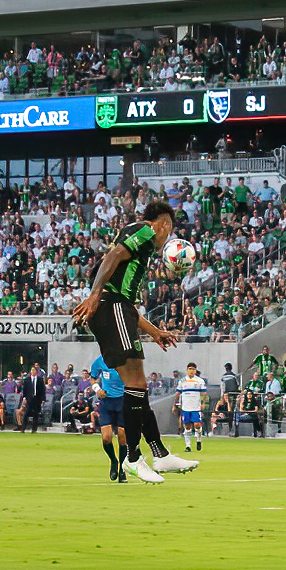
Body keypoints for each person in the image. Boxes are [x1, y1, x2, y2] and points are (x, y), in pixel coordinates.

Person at [71, 201, 197, 484]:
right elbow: (112, 257)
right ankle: (133, 458)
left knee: (138, 387)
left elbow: (125, 303)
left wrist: (153, 331)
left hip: (118, 308)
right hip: (110, 305)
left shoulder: (137, 239)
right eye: (170, 231)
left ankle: (160, 453)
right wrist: (94, 294)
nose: (166, 238)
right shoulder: (146, 231)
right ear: (164, 223)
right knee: (137, 385)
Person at [90, 355, 128, 482]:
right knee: (106, 438)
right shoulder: (100, 361)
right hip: (106, 401)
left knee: (122, 436)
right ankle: (113, 460)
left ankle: (123, 469)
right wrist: (97, 389)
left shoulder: (126, 359)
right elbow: (93, 378)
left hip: (122, 401)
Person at [176, 363, 207, 452]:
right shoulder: (182, 381)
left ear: (195, 370)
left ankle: (198, 440)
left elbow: (204, 394)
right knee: (187, 426)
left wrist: (203, 403)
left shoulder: (199, 381)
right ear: (187, 370)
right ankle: (188, 446)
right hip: (185, 407)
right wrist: (176, 404)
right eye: (190, 369)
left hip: (196, 407)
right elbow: (178, 393)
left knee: (197, 425)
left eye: (193, 369)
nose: (191, 371)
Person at [20, 364, 46, 433]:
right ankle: (23, 428)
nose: (33, 371)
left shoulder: (40, 380)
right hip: (29, 399)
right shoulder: (27, 380)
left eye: (34, 370)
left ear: (36, 371)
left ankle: (34, 429)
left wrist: (43, 399)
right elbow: (25, 390)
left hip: (37, 399)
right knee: (26, 413)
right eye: (32, 370)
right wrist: (24, 398)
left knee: (36, 414)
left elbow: (42, 390)